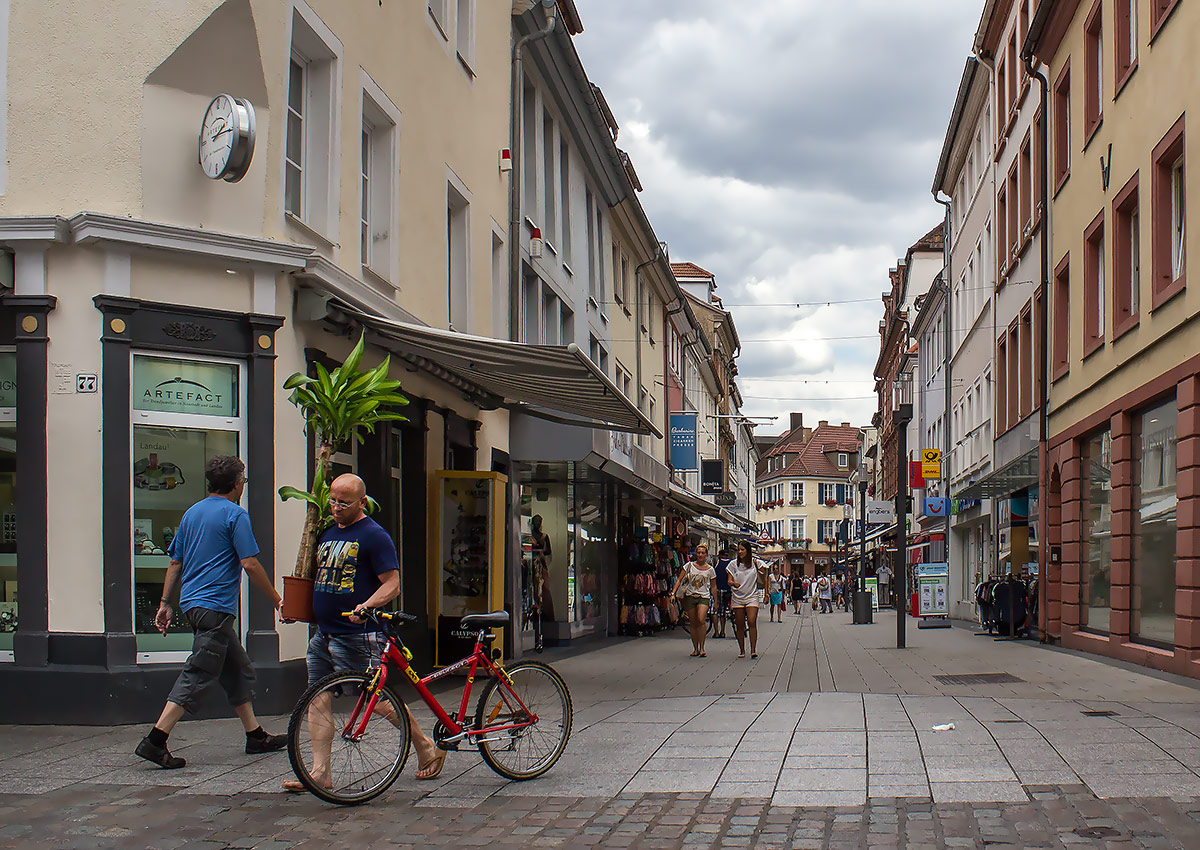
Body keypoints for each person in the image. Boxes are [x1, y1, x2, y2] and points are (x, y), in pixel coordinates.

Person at [284, 474, 445, 790]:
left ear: (361, 502)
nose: (336, 507)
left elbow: (392, 583)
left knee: (378, 701)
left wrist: (366, 605)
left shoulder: (374, 536)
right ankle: (320, 772)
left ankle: (424, 745)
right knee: (317, 699)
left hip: (359, 634)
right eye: (332, 500)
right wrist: (296, 607)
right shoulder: (326, 532)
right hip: (324, 633)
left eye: (344, 502)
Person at [136, 456, 286, 769]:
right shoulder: (235, 514)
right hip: (216, 607)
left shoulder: (192, 513)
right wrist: (276, 600)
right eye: (242, 480)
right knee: (200, 671)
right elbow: (250, 563)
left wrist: (165, 603)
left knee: (237, 669)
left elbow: (175, 561)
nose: (243, 484)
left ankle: (255, 735)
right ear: (236, 484)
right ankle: (156, 740)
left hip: (193, 605)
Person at [670, 542, 717, 657]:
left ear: (706, 555)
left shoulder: (710, 570)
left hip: (704, 596)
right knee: (693, 622)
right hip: (690, 596)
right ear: (696, 554)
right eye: (699, 553)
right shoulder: (689, 566)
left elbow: (714, 586)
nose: (700, 555)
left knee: (701, 619)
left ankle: (702, 647)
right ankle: (695, 648)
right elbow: (679, 580)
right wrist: (673, 593)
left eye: (703, 553)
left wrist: (716, 601)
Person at [727, 541, 767, 658]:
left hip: (752, 596)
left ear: (748, 551)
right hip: (737, 597)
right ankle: (742, 650)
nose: (739, 552)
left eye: (742, 550)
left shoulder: (755, 562)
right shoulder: (733, 564)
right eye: (738, 550)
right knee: (739, 624)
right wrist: (733, 583)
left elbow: (765, 576)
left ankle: (753, 649)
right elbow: (729, 580)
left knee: (751, 620)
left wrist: (766, 593)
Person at [529, 514, 555, 652]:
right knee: (535, 588)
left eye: (540, 521)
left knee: (543, 588)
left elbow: (549, 551)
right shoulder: (531, 536)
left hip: (539, 564)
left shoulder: (544, 536)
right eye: (537, 521)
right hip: (532, 565)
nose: (538, 523)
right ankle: (536, 609)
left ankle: (544, 611)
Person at [712, 546, 733, 639]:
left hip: (717, 589)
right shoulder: (731, 563)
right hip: (728, 590)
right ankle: (723, 631)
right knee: (723, 612)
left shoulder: (717, 562)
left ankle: (716, 631)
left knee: (715, 611)